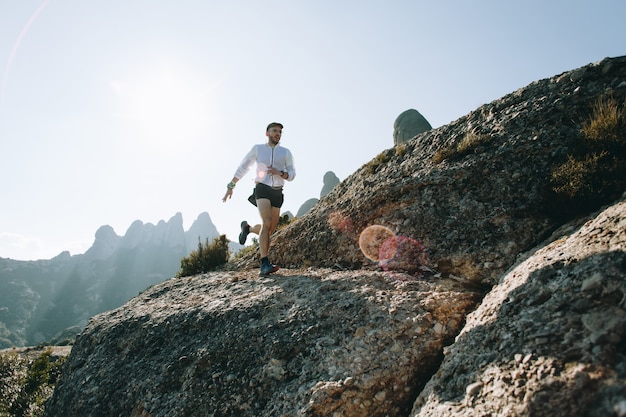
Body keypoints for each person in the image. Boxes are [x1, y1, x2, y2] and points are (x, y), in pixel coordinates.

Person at [222, 122, 296, 276]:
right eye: (274, 131)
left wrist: (280, 173)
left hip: (278, 192)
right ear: (267, 133)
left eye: (280, 132)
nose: (278, 134)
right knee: (266, 222)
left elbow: (292, 174)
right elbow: (243, 167)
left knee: (269, 230)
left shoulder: (286, 152)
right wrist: (231, 185)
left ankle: (248, 229)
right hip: (262, 188)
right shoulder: (258, 149)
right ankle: (264, 264)